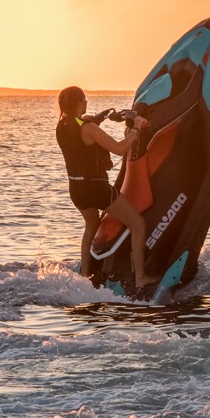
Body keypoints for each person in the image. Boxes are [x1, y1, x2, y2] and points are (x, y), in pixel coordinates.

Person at [55, 86, 157, 290]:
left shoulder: (62, 126)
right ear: (76, 103)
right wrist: (136, 128)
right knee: (137, 224)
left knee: (91, 226)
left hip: (76, 190)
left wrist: (97, 119)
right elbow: (119, 149)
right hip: (96, 189)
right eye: (83, 99)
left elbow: (79, 135)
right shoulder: (88, 128)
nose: (86, 102)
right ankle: (141, 278)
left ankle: (84, 278)